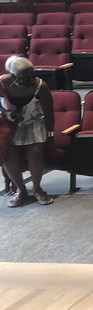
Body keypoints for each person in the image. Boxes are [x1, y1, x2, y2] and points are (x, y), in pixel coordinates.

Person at [0, 56, 55, 207]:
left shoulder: (41, 86)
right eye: (25, 77)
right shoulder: (2, 84)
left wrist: (50, 137)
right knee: (7, 155)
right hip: (9, 125)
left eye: (32, 74)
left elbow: (49, 114)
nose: (30, 79)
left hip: (34, 123)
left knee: (35, 152)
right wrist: (6, 113)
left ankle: (37, 189)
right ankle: (21, 190)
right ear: (13, 76)